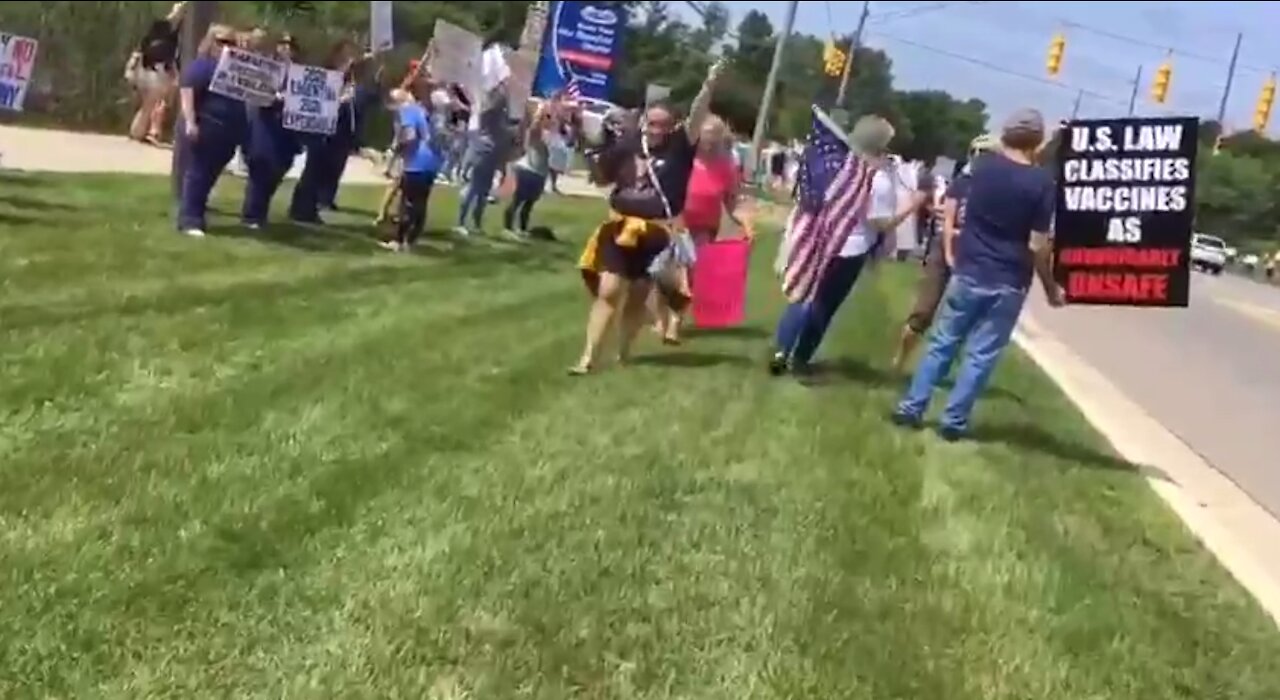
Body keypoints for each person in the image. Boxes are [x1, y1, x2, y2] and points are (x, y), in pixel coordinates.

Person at [892, 109, 1066, 441]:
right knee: (981, 355)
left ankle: (911, 408)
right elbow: (1038, 244)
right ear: (1035, 141)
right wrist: (1051, 287)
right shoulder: (1042, 183)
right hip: (1010, 281)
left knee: (942, 344)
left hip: (969, 270)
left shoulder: (982, 171)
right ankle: (953, 422)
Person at [570, 59, 725, 375]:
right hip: (619, 228)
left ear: (672, 127)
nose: (655, 130)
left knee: (638, 299)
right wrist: (588, 150)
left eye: (662, 125)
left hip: (655, 235)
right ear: (643, 122)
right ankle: (588, 358)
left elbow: (696, 117)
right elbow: (603, 178)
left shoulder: (680, 148)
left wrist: (708, 86)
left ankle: (624, 351)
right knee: (609, 291)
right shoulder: (627, 145)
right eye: (651, 123)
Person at [770, 116, 926, 379]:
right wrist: (912, 206)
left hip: (817, 238)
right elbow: (880, 223)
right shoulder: (878, 178)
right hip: (849, 248)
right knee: (824, 305)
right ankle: (800, 359)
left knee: (801, 295)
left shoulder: (834, 164)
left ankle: (780, 351)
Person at [891, 133, 999, 370]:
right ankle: (900, 360)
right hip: (945, 249)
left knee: (964, 316)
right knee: (924, 310)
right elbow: (947, 218)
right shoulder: (961, 182)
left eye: (990, 154)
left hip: (977, 254)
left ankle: (941, 366)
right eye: (979, 153)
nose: (983, 158)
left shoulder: (1000, 189)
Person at [653, 115, 744, 345]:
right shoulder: (684, 158)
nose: (710, 141)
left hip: (705, 226)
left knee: (689, 275)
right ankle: (660, 318)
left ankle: (675, 323)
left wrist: (737, 222)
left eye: (715, 135)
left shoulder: (726, 166)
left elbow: (731, 197)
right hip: (674, 220)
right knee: (662, 272)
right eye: (706, 135)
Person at [176, 24, 247, 238]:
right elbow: (187, 92)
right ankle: (189, 220)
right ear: (210, 42)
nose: (227, 46)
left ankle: (197, 213)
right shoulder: (203, 66)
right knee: (197, 174)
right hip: (205, 126)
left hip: (228, 132)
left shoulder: (237, 70)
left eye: (231, 42)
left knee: (208, 177)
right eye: (222, 41)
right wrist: (190, 122)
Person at [289, 40, 361, 225]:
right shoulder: (327, 76)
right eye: (347, 56)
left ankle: (310, 208)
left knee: (325, 173)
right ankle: (301, 209)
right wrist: (341, 99)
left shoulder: (349, 80)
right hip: (324, 132)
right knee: (313, 171)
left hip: (340, 134)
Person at [241, 34, 301, 229]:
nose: (285, 49)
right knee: (261, 168)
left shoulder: (300, 73)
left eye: (289, 45)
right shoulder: (266, 66)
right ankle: (252, 216)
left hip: (287, 129)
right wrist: (276, 97)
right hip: (265, 122)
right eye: (282, 44)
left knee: (281, 166)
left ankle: (261, 212)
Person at [379, 84, 441, 253]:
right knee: (421, 203)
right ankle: (412, 240)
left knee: (407, 204)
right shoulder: (421, 110)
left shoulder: (406, 111)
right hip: (431, 162)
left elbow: (410, 136)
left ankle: (400, 241)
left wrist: (396, 149)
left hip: (416, 162)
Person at [125, 1, 186, 145]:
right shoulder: (160, 28)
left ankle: (143, 132)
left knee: (151, 103)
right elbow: (143, 46)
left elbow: (173, 56)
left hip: (158, 70)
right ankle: (140, 132)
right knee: (150, 102)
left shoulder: (175, 35)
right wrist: (132, 66)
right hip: (150, 69)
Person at [502, 103, 553, 240]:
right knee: (518, 200)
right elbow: (533, 128)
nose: (549, 119)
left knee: (529, 203)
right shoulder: (535, 131)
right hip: (528, 170)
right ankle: (507, 228)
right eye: (547, 117)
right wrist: (540, 112)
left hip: (540, 172)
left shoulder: (549, 134)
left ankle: (522, 228)